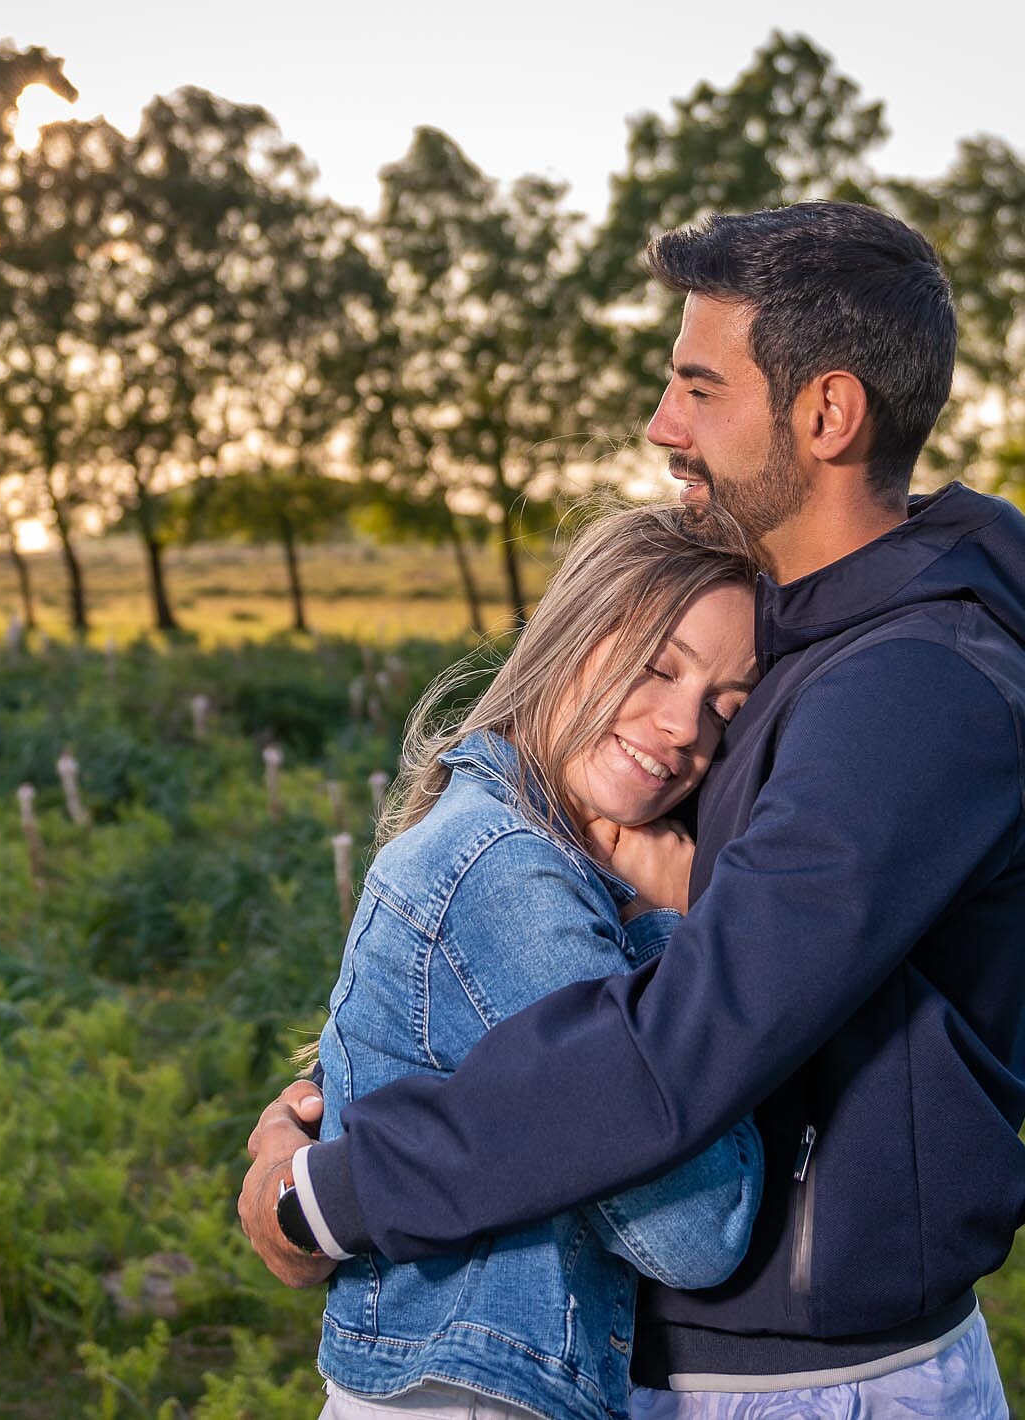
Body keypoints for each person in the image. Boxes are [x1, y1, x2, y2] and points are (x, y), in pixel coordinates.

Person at [240, 200, 1025, 1417]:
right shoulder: (797, 637)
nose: (661, 426)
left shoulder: (908, 687)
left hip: (807, 1383)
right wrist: (344, 1088)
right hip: (672, 1354)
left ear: (826, 412)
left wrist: (334, 1189)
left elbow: (676, 1044)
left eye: (698, 388)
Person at [305, 502, 767, 1420]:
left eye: (725, 708)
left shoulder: (497, 837)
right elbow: (696, 1232)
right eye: (657, 667)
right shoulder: (510, 874)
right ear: (570, 637)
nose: (684, 729)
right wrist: (670, 925)